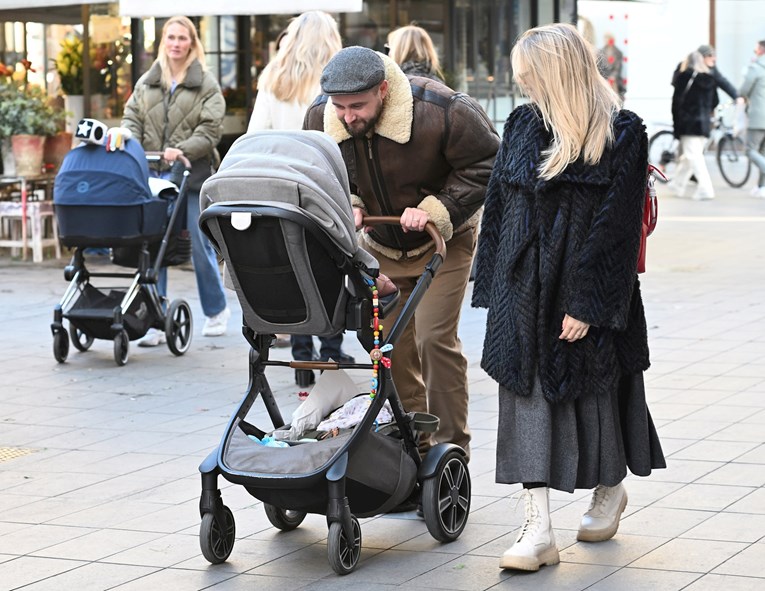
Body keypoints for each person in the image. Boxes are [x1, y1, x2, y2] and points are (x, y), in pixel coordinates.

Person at [471, 23, 666, 572]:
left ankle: (609, 487)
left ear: (556, 74)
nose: (525, 90)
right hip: (522, 291)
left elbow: (617, 230)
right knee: (525, 402)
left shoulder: (621, 133)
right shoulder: (522, 124)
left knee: (595, 400)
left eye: (531, 79)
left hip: (584, 289)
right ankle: (537, 528)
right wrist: (491, 284)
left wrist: (588, 304)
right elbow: (500, 208)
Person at [304, 46, 499, 459]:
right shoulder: (323, 116)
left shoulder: (444, 109)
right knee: (393, 349)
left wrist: (437, 208)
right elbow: (321, 172)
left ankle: (451, 453)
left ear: (384, 90)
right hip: (379, 243)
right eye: (340, 107)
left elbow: (487, 162)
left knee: (433, 339)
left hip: (442, 243)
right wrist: (351, 202)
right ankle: (415, 449)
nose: (347, 116)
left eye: (358, 105)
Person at [247, 11, 354, 386]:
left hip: (280, 187)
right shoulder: (337, 78)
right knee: (331, 269)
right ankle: (331, 352)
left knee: (296, 271)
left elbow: (255, 134)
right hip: (323, 186)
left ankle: (302, 362)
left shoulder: (274, 77)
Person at [122, 15, 230, 345]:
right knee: (155, 245)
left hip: (192, 175)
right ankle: (157, 316)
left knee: (199, 246)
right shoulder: (148, 81)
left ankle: (216, 310)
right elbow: (132, 118)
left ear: (192, 42)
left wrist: (179, 149)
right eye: (170, 37)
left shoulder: (206, 83)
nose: (176, 43)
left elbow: (211, 129)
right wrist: (131, 142)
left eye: (182, 38)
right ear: (163, 42)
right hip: (154, 176)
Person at [667, 44, 741, 201]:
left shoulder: (684, 74)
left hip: (688, 123)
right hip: (704, 123)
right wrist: (735, 97)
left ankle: (705, 189)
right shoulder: (709, 77)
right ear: (702, 57)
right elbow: (716, 99)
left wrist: (677, 122)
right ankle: (678, 184)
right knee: (691, 155)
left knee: (693, 156)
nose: (714, 59)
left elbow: (676, 102)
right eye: (710, 56)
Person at [739, 40, 765, 197]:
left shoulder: (756, 67)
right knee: (763, 152)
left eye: (756, 50)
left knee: (750, 150)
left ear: (761, 51)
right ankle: (762, 187)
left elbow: (744, 89)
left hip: (758, 116)